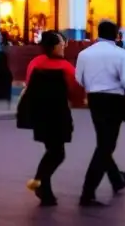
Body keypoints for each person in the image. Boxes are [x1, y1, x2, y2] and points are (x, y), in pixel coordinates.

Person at [75, 20, 125, 207]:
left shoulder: (84, 53)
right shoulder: (119, 53)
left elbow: (79, 78)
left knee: (103, 141)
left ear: (98, 32)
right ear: (117, 35)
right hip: (114, 100)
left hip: (95, 100)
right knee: (106, 145)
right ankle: (87, 193)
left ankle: (117, 179)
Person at [21, 31, 85, 206]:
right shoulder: (65, 67)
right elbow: (75, 90)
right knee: (57, 153)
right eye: (60, 43)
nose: (64, 46)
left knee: (52, 150)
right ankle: (39, 181)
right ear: (52, 46)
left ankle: (46, 192)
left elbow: (29, 85)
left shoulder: (35, 64)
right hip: (57, 115)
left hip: (39, 115)